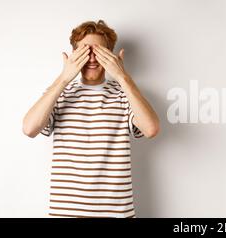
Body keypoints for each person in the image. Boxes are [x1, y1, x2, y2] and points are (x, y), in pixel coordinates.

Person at [22, 20, 160, 218]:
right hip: (66, 214)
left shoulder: (124, 95)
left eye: (99, 52)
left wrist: (123, 77)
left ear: (111, 56)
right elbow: (29, 128)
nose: (92, 59)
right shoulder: (59, 94)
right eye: (85, 51)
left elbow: (151, 129)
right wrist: (63, 79)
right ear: (74, 55)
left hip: (117, 214)